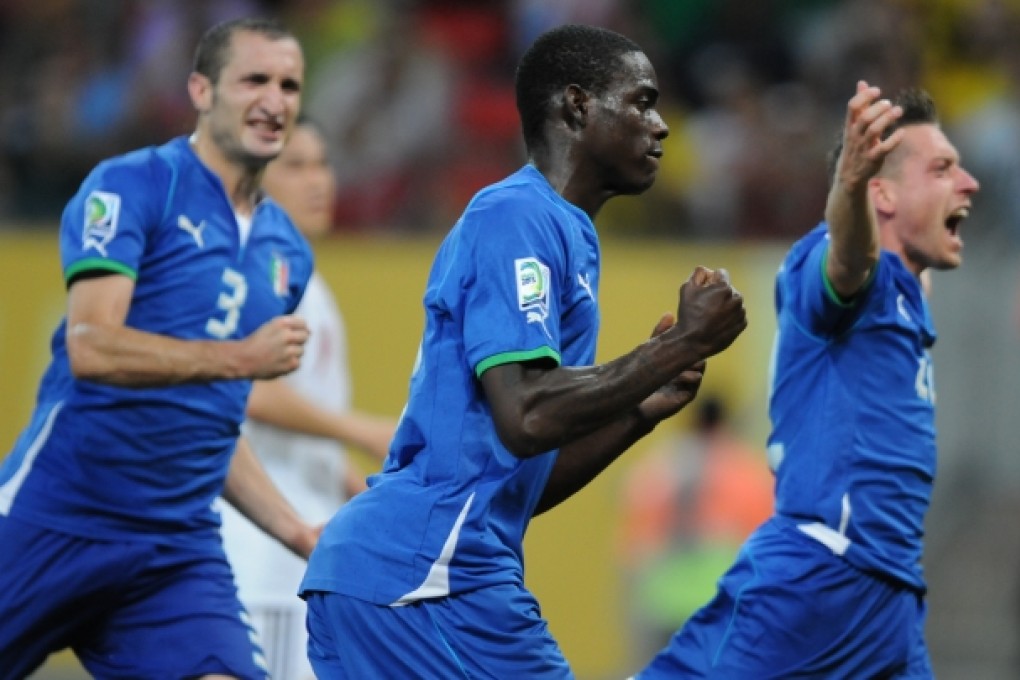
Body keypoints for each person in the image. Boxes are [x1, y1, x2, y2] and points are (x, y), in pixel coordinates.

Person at [299, 23, 748, 679]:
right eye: (642, 101)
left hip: (399, 573)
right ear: (575, 105)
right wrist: (679, 344)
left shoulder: (562, 232)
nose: (661, 125)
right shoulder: (516, 217)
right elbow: (526, 413)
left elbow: (519, 477)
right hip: (429, 575)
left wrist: (639, 409)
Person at [0, 17, 319, 679]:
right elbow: (93, 346)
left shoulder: (287, 252)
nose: (274, 99)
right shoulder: (135, 185)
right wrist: (238, 360)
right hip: (58, 514)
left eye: (289, 84)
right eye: (254, 79)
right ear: (201, 90)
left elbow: (213, 419)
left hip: (172, 549)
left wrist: (298, 532)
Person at [638, 81, 979, 678]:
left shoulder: (907, 292)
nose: (968, 182)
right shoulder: (839, 269)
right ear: (883, 193)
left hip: (889, 597)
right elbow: (848, 262)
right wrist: (847, 188)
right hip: (818, 582)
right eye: (943, 168)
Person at [218, 117, 396, 680]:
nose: (318, 180)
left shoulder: (307, 281)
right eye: (295, 166)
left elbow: (306, 443)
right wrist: (360, 429)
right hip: (262, 556)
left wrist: (373, 500)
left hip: (304, 554)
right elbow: (241, 387)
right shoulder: (255, 271)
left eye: (322, 163)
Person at [617, 395, 773, 665]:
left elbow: (635, 519)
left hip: (661, 591)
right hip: (719, 592)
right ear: (726, 422)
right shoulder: (743, 469)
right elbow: (763, 534)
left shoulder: (664, 464)